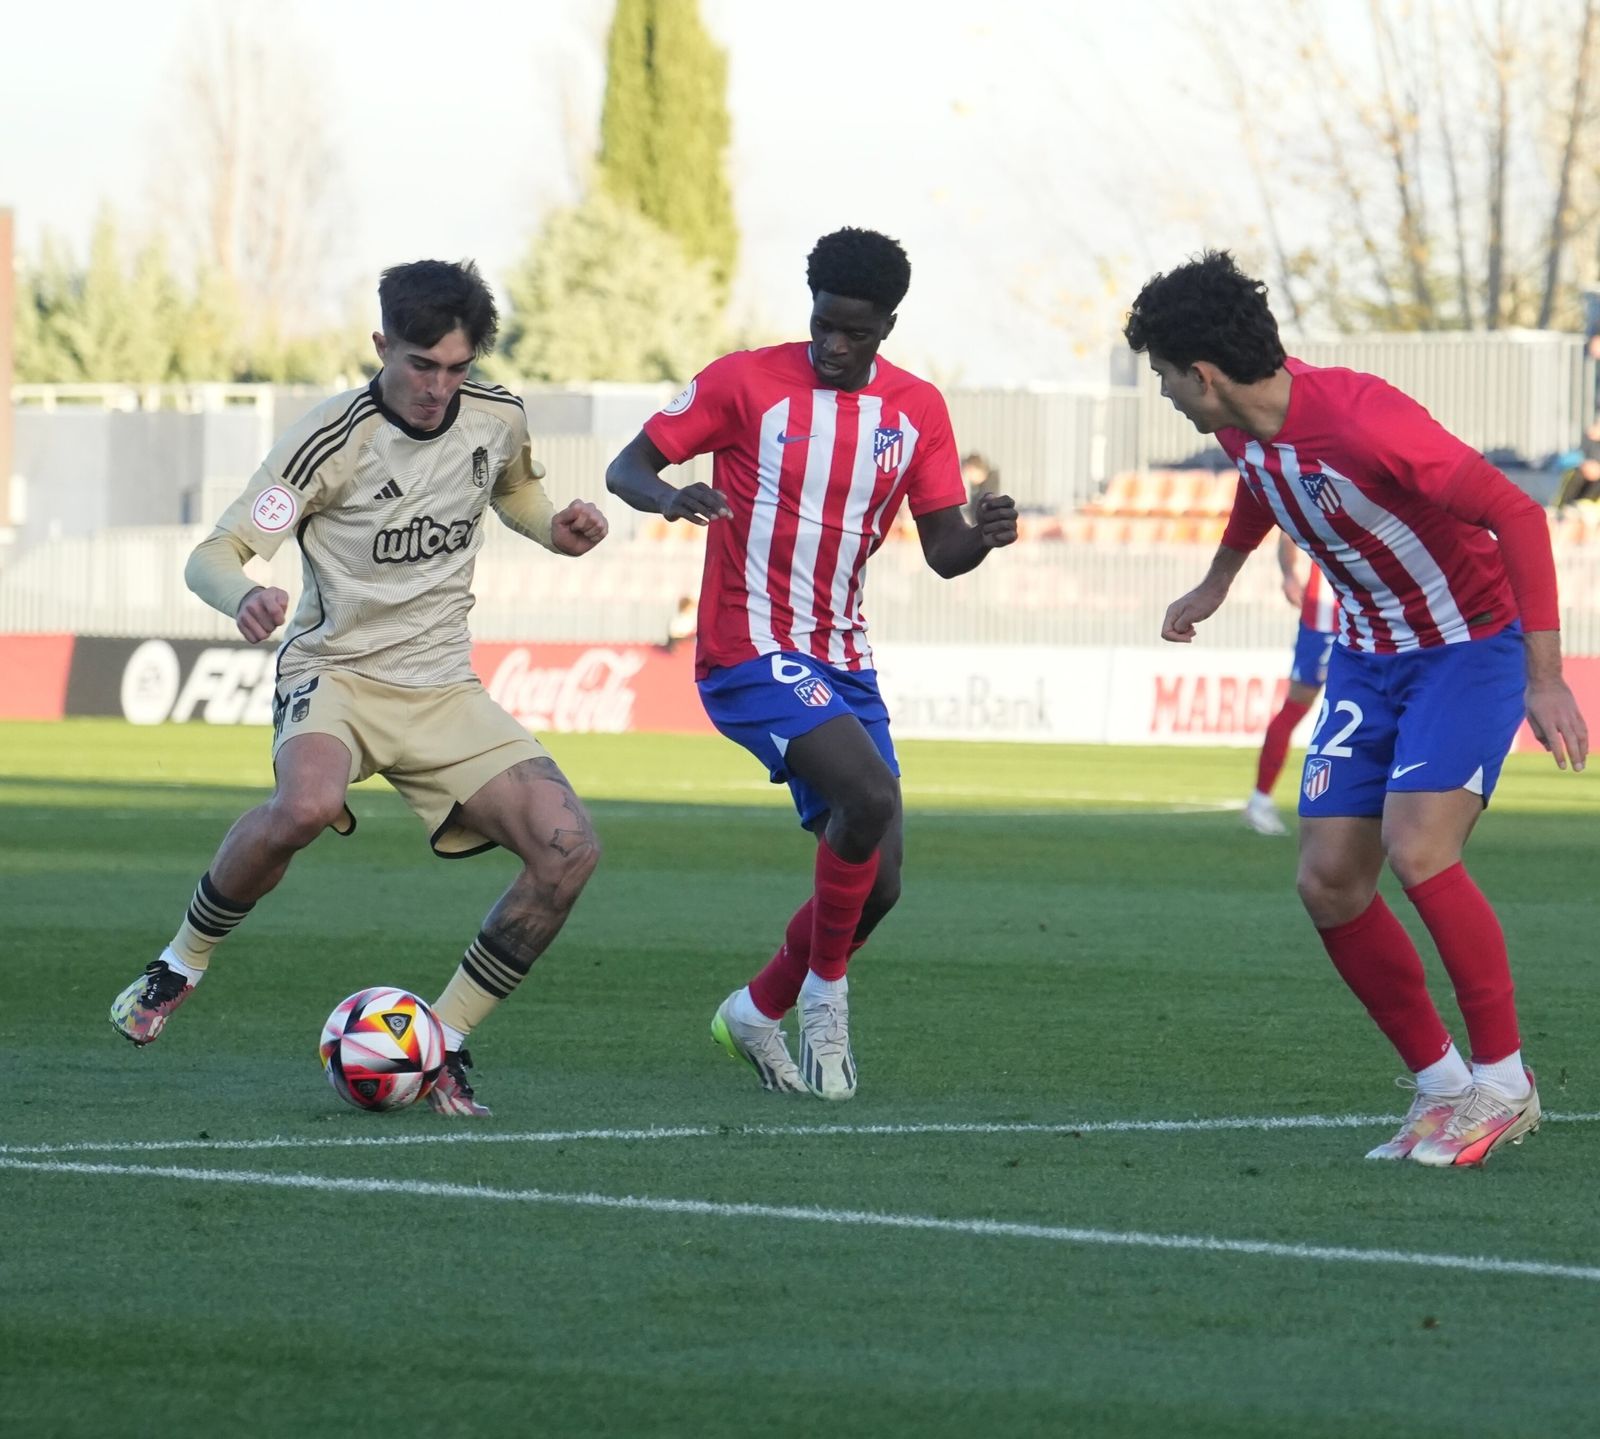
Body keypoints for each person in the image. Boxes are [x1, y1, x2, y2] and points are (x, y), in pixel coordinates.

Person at [109, 259, 611, 1117]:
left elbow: (516, 488)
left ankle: (442, 1043)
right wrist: (247, 594)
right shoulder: (326, 442)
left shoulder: (495, 416)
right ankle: (180, 960)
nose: (438, 386)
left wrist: (556, 527)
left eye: (456, 368)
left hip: (443, 687)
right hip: (334, 673)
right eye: (421, 363)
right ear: (382, 344)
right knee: (304, 806)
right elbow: (213, 556)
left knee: (570, 851)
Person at [1126, 249, 1587, 1167]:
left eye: (1166, 376)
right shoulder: (1241, 429)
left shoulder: (1369, 422)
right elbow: (1263, 483)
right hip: (1368, 658)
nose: (1168, 393)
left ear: (1203, 375)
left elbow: (1519, 514)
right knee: (1329, 878)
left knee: (1419, 849)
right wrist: (1219, 579)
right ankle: (1443, 1086)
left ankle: (1504, 1081)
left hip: (1469, 645)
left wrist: (1544, 674)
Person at [605, 227, 1018, 1101]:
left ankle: (756, 1009)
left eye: (855, 332)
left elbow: (943, 550)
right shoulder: (743, 382)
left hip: (844, 656)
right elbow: (626, 464)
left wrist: (981, 537)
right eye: (823, 324)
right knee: (867, 799)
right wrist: (670, 494)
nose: (834, 344)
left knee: (883, 884)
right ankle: (826, 1002)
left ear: (888, 327)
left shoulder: (916, 411)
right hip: (746, 646)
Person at [1242, 533, 1338, 836]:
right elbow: (1287, 529)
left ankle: (1360, 808)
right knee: (1297, 706)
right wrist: (1289, 575)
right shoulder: (1321, 487)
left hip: (1375, 617)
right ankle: (1260, 799)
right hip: (1326, 619)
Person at [961, 451, 1000, 520]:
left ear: (972, 469)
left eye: (968, 474)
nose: (968, 478)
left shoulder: (987, 492)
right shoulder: (979, 488)